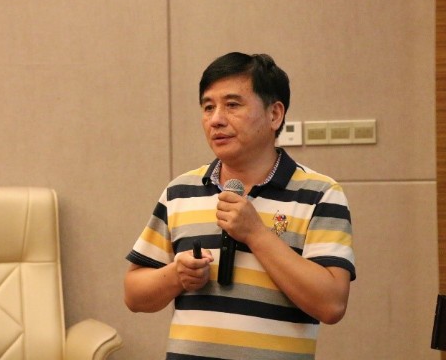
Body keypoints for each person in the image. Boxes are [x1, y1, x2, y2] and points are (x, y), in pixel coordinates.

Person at [124, 52, 355, 360]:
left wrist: (255, 234)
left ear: (274, 115)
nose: (216, 119)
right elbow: (134, 295)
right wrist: (177, 276)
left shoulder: (320, 194)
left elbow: (332, 305)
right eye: (208, 107)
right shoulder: (180, 191)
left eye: (232, 105)